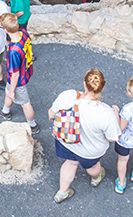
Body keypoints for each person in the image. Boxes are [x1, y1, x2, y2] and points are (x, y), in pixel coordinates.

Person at [50, 68, 120, 203]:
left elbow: (51, 113)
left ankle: (62, 192)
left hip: (66, 141)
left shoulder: (68, 96)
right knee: (92, 167)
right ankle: (95, 179)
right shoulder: (106, 113)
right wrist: (116, 114)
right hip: (90, 150)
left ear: (84, 84)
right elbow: (112, 137)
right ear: (102, 87)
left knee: (70, 163)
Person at [0, 14, 38, 134]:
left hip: (18, 80)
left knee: (25, 103)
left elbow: (15, 74)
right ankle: (5, 112)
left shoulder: (13, 51)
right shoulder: (23, 33)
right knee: (8, 91)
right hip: (26, 70)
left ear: (6, 30)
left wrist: (12, 90)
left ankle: (33, 126)